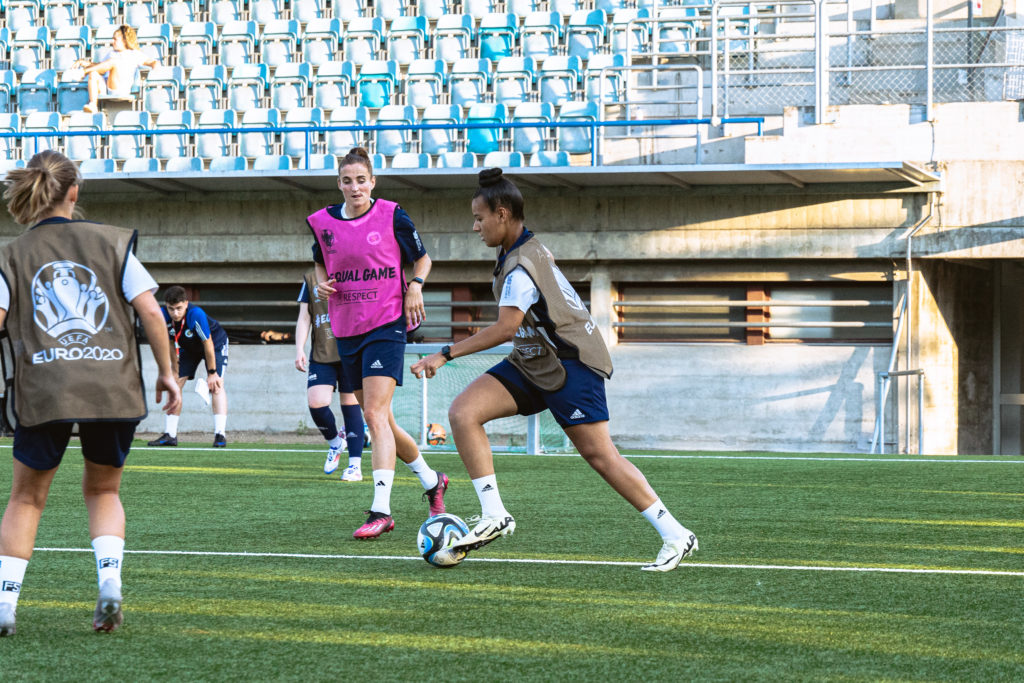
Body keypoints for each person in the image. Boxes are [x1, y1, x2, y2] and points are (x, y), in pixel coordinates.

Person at [411, 168, 699, 572]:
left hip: (570, 363)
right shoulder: (516, 252)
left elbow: (505, 328)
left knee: (601, 456)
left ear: (503, 213)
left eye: (479, 218)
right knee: (463, 412)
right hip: (534, 360)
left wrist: (446, 353)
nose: (474, 226)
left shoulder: (522, 264)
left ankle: (675, 533)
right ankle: (495, 514)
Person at [0, 150, 181, 636]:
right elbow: (151, 312)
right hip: (111, 387)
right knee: (103, 489)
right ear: (75, 193)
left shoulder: (11, 255)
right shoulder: (113, 244)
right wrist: (167, 372)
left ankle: (4, 604)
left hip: (44, 389)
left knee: (26, 499)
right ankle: (109, 585)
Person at [309, 147, 447, 539]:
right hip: (347, 326)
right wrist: (321, 280)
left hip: (387, 322)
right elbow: (320, 259)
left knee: (372, 412)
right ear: (339, 184)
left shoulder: (392, 214)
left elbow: (422, 259)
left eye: (361, 180)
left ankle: (381, 510)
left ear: (373, 182)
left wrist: (415, 287)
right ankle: (432, 480)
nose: (355, 187)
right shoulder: (323, 223)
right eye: (347, 181)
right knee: (382, 418)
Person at [295, 266, 368, 480]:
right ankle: (336, 443)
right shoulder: (310, 278)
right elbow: (304, 317)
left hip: (351, 351)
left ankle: (355, 466)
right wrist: (299, 348)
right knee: (316, 403)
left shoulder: (354, 271)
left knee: (351, 405)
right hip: (322, 353)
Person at [147, 286, 229, 448]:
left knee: (216, 385)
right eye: (171, 309)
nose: (175, 313)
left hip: (215, 344)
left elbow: (208, 343)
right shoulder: (163, 316)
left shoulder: (195, 315)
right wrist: (174, 368)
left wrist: (212, 373)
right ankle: (170, 435)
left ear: (186, 303)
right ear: (166, 306)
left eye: (179, 309)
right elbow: (170, 342)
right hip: (188, 348)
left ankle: (220, 435)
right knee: (174, 384)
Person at [70, 25, 159, 114]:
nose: (112, 42)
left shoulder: (134, 54)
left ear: (124, 40)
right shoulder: (111, 54)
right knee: (93, 73)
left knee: (114, 62)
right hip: (107, 86)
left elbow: (153, 62)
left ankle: (83, 73)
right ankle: (93, 104)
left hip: (121, 87)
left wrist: (155, 70)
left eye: (115, 39)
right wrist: (84, 63)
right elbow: (101, 66)